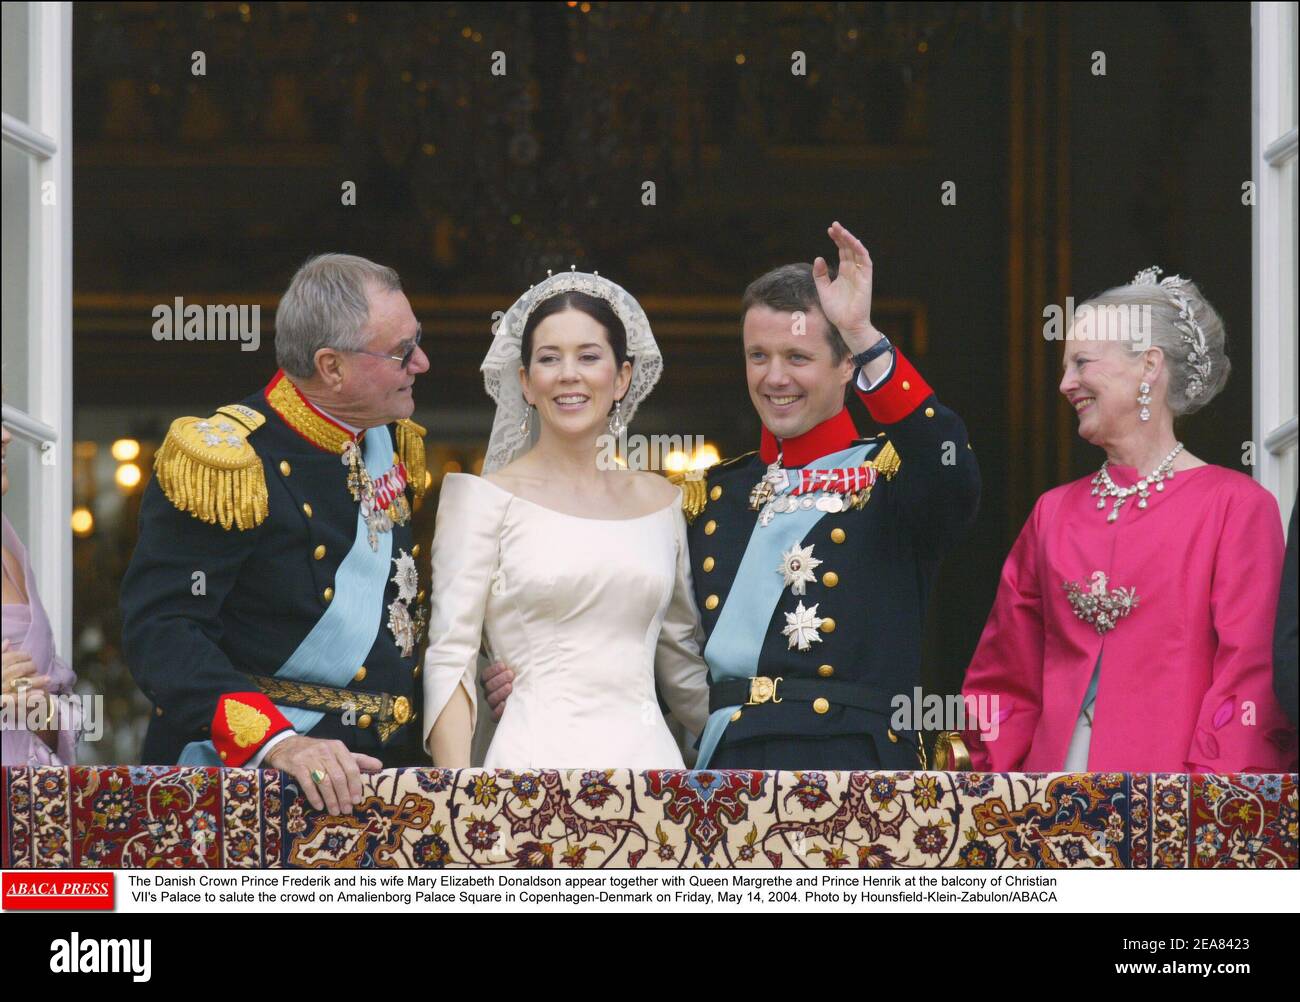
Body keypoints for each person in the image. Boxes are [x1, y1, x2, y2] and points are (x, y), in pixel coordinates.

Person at [486, 223, 981, 770]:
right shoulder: (710, 497)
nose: (774, 378)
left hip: (853, 769)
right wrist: (539, 683)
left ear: (846, 366)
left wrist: (864, 335)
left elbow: (948, 464)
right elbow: (639, 636)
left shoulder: (892, 478)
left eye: (797, 357)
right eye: (758, 356)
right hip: (726, 775)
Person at [121, 254, 431, 813]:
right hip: (256, 784)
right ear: (331, 367)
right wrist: (277, 742)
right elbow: (163, 631)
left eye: (417, 341)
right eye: (402, 352)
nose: (423, 363)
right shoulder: (228, 461)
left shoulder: (390, 446)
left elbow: (397, 633)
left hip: (383, 779)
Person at [961, 267, 1297, 773]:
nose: (1065, 384)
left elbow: (1247, 678)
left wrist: (1210, 815)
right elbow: (1004, 675)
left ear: (1149, 367)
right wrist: (995, 797)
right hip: (1047, 803)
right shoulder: (1053, 511)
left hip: (1175, 807)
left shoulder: (1236, 506)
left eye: (1081, 363)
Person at [422, 269, 709, 768]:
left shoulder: (663, 502)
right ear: (525, 383)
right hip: (527, 775)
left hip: (651, 774)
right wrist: (455, 803)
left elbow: (684, 666)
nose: (568, 374)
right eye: (549, 359)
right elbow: (452, 660)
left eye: (589, 357)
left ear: (621, 377)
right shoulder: (483, 500)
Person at [2, 419, 81, 765]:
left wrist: (45, 714)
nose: (6, 435)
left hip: (28, 808)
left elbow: (82, 718)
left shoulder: (11, 555)